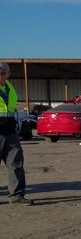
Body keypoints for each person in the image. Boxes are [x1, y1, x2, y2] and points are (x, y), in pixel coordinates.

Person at [0, 62, 31, 205]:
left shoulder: (10, 89)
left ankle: (17, 196)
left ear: (8, 74)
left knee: (16, 163)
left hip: (9, 132)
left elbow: (10, 110)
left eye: (2, 73)